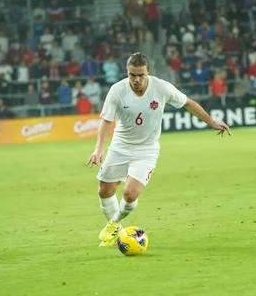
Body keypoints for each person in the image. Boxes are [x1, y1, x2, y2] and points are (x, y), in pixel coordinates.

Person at [86, 52, 231, 247]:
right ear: (127, 73)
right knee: (105, 191)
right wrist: (98, 149)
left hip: (146, 149)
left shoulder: (161, 87)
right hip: (120, 146)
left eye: (140, 75)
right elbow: (106, 121)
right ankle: (117, 232)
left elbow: (188, 103)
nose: (136, 80)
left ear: (148, 73)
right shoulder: (117, 90)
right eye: (132, 75)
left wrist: (211, 122)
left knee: (130, 194)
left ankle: (114, 224)